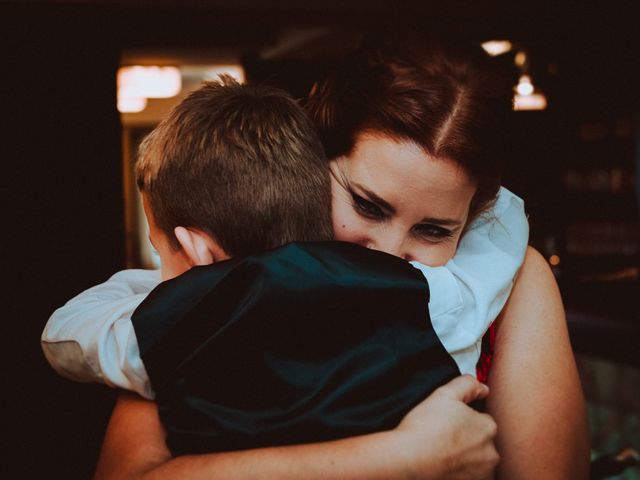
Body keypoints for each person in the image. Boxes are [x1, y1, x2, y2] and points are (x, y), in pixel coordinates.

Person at [60, 36, 588, 479]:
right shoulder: (229, 271)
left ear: (473, 221)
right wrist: (397, 458)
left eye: (433, 229)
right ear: (312, 164)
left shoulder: (512, 280)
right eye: (366, 205)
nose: (388, 252)